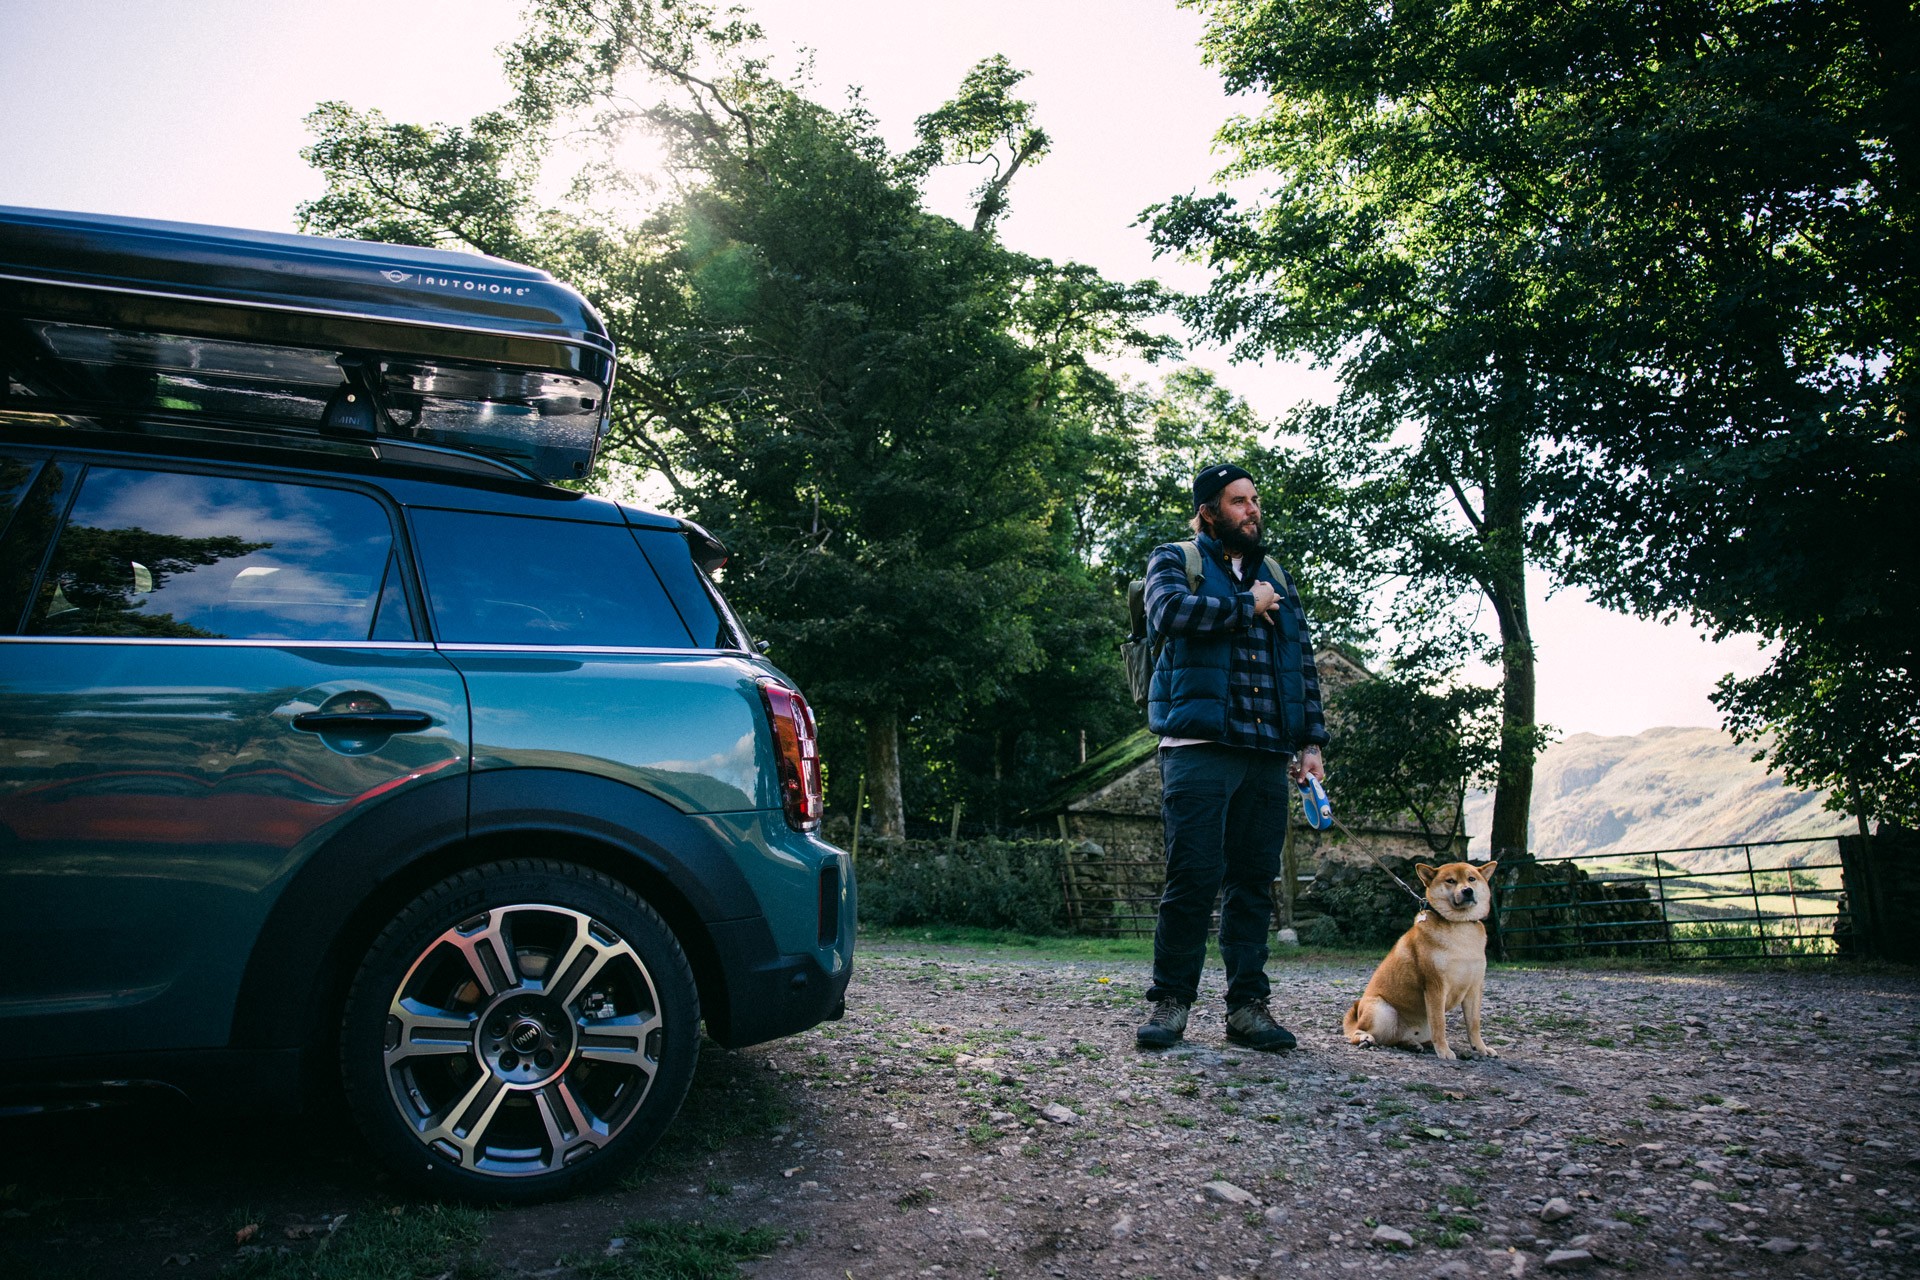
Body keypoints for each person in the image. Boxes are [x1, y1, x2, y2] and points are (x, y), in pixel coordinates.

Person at [1136, 463, 1329, 1051]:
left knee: (1253, 883)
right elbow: (1168, 614)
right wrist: (1247, 606)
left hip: (1267, 752)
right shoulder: (1175, 560)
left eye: (1254, 501)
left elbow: (1301, 664)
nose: (1252, 511)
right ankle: (1170, 1004)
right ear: (1209, 511)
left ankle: (1248, 1009)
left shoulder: (1276, 575)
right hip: (1197, 747)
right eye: (1239, 502)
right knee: (1193, 877)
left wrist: (1310, 743)